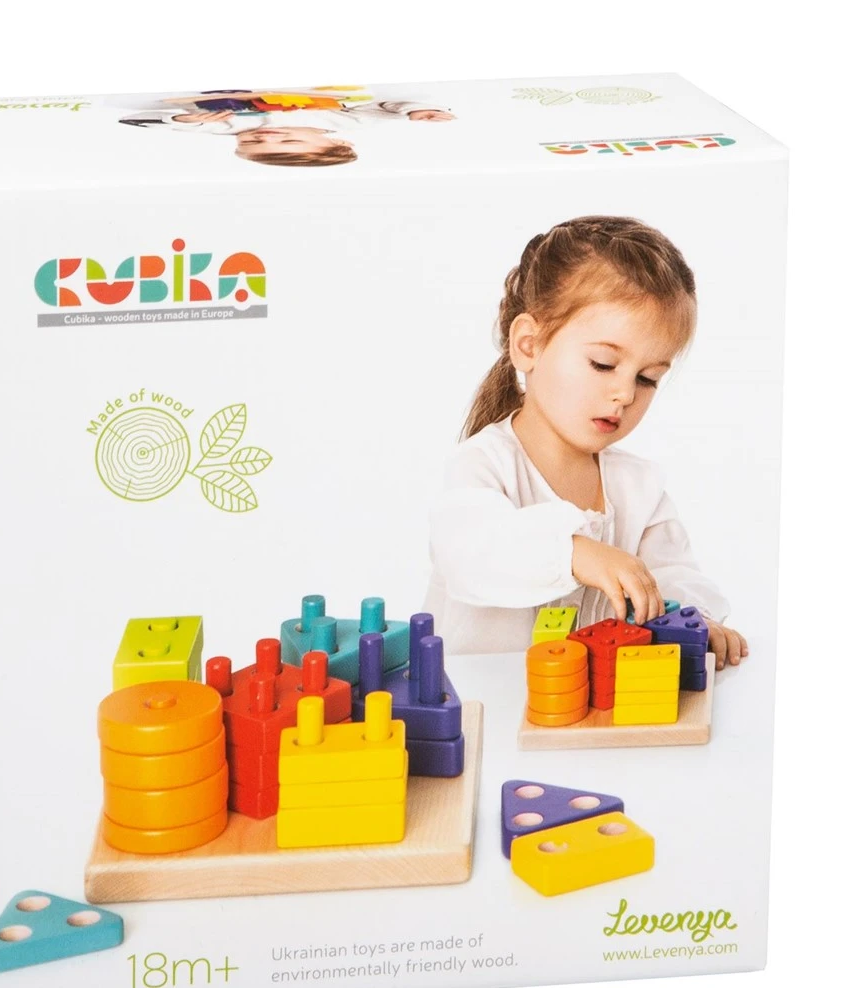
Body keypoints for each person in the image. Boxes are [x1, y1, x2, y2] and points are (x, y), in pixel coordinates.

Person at [424, 215, 748, 671]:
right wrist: (573, 552)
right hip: (482, 700)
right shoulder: (482, 464)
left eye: (648, 378)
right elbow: (468, 553)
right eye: (602, 364)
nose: (625, 394)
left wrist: (693, 620)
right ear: (529, 345)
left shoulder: (639, 486)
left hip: (591, 704)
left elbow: (671, 575)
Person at [118, 87, 455, 167]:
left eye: (251, 144)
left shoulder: (231, 126)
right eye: (287, 142)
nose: (265, 136)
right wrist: (415, 111)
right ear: (336, 143)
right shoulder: (349, 122)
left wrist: (183, 120)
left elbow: (141, 120)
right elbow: (384, 107)